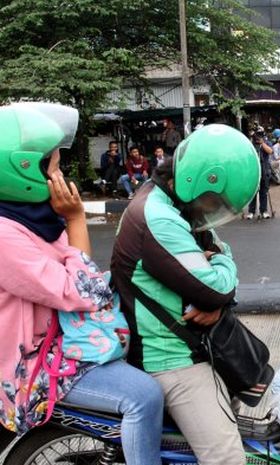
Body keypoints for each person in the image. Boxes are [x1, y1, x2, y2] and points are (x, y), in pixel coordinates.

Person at [0, 102, 163, 464]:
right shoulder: (4, 236)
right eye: (54, 167)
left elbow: (83, 272)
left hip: (65, 343)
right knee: (143, 397)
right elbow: (84, 291)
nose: (62, 177)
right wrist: (75, 218)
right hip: (32, 367)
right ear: (23, 171)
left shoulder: (34, 220)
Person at [111, 124, 260, 465]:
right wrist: (223, 266)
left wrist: (220, 270)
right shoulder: (159, 217)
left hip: (185, 346)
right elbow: (214, 288)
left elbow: (217, 256)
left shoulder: (172, 201)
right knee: (228, 459)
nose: (211, 210)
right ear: (199, 179)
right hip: (170, 360)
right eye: (214, 201)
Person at [247, 129, 273, 220]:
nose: (258, 137)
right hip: (253, 171)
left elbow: (270, 151)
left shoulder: (266, 142)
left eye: (260, 135)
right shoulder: (251, 144)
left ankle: (264, 211)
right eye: (257, 136)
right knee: (253, 192)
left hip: (264, 170)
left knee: (263, 192)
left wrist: (262, 143)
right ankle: (251, 212)